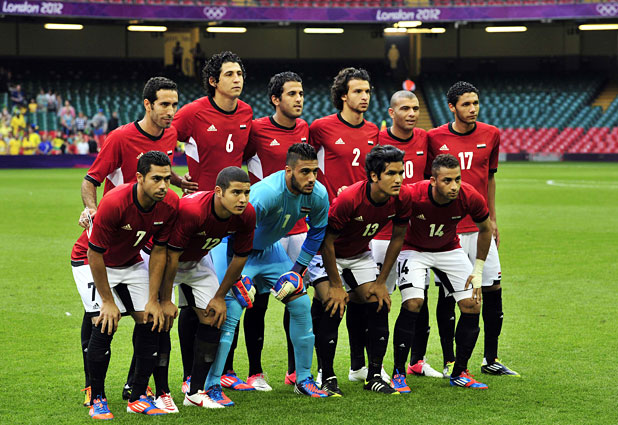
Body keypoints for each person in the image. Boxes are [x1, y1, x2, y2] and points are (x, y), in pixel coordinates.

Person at [76, 77, 187, 408]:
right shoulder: (120, 137)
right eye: (164, 104)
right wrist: (92, 209)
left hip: (144, 236)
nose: (171, 111)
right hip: (112, 230)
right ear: (147, 104)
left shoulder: (170, 134)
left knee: (151, 316)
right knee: (99, 315)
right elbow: (91, 180)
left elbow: (162, 170)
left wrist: (178, 181)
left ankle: (135, 386)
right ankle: (92, 386)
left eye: (175, 104)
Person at [205, 143, 331, 399]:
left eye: (314, 172)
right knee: (232, 309)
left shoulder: (318, 194)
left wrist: (297, 270)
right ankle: (212, 383)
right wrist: (236, 277)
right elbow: (233, 231)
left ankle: (303, 378)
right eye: (305, 172)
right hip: (233, 248)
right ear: (288, 171)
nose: (311, 178)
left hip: (268, 250)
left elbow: (318, 232)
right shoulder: (266, 194)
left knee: (301, 304)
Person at [70, 151, 179, 419]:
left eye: (167, 179)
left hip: (130, 262)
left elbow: (159, 252)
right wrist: (108, 302)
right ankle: (97, 398)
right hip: (90, 261)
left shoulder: (170, 203)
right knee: (104, 322)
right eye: (156, 179)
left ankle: (137, 396)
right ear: (139, 178)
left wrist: (154, 299)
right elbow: (94, 253)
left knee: (151, 319)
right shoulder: (115, 201)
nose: (163, 185)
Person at [172, 50, 253, 391]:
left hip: (232, 216)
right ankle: (191, 375)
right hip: (200, 215)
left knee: (231, 295)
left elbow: (248, 156)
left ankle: (225, 369)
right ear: (213, 81)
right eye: (230, 74)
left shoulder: (246, 112)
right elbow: (161, 143)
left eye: (240, 73)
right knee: (196, 301)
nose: (237, 79)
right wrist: (176, 179)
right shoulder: (192, 112)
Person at [427, 81, 519, 377]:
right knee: (447, 295)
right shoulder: (434, 137)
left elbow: (489, 178)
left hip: (480, 228)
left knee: (492, 288)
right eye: (466, 104)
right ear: (451, 107)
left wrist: (493, 219)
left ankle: (491, 358)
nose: (472, 109)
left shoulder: (491, 134)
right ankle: (449, 360)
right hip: (449, 231)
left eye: (475, 103)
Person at [307, 145, 411, 396]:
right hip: (326, 254)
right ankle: (326, 375)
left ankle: (374, 375)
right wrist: (336, 285)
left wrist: (381, 282)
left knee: (379, 301)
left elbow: (398, 238)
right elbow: (327, 242)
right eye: (391, 173)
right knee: (333, 303)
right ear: (374, 176)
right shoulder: (349, 199)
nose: (398, 179)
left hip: (359, 255)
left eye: (400, 173)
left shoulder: (402, 197)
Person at [392, 153, 492, 392]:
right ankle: (398, 372)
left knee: (472, 304)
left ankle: (460, 372)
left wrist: (478, 269)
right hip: (414, 249)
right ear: (433, 181)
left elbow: (486, 229)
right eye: (447, 180)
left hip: (449, 249)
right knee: (414, 302)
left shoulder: (469, 196)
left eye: (457, 179)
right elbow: (384, 201)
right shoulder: (412, 194)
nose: (454, 186)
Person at [308, 67, 382, 384]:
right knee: (328, 302)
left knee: (365, 301)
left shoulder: (374, 131)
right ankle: (318, 370)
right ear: (342, 96)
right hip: (326, 225)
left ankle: (359, 367)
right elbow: (306, 166)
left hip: (359, 230)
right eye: (357, 91)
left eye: (367, 91)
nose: (364, 97)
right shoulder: (320, 128)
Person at [162, 166, 256, 408]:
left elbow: (240, 257)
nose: (242, 199)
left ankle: (195, 392)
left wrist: (219, 296)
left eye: (246, 193)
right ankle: (152, 390)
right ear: (218, 191)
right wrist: (165, 299)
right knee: (157, 320)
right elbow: (171, 257)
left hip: (197, 260)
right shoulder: (193, 210)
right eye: (236, 192)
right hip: (163, 259)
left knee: (214, 316)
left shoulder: (247, 214)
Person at [241, 71, 308, 388]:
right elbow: (234, 162)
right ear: (275, 99)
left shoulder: (305, 129)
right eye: (292, 94)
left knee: (295, 298)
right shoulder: (256, 131)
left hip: (298, 229)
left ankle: (295, 370)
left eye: (301, 93)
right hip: (265, 230)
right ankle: (254, 372)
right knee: (257, 301)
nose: (299, 99)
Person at [371, 91, 442, 379]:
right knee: (379, 300)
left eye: (415, 108)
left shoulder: (425, 139)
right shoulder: (376, 139)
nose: (412, 113)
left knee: (418, 299)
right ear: (391, 112)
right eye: (405, 108)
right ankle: (374, 366)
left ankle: (418, 361)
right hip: (383, 234)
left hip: (416, 236)